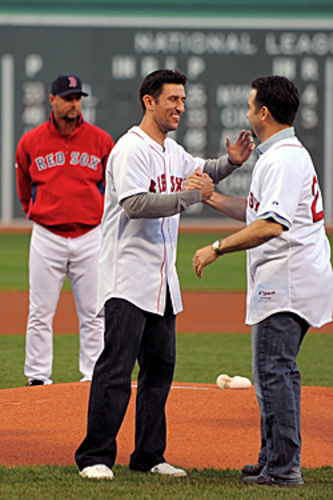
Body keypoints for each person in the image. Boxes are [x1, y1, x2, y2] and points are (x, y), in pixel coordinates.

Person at [75, 68, 254, 480]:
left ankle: (149, 456)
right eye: (172, 99)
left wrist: (230, 163)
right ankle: (95, 456)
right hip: (126, 278)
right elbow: (136, 204)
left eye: (183, 99)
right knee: (115, 371)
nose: (180, 107)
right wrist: (192, 196)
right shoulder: (129, 149)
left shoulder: (171, 151)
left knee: (159, 372)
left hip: (162, 283)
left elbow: (203, 169)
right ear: (149, 101)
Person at [192, 75, 333, 486]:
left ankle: (283, 467)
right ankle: (274, 456)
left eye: (252, 105)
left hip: (287, 281)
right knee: (279, 371)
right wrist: (212, 197)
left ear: (264, 113)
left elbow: (271, 225)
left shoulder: (283, 159)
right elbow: (257, 212)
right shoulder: (282, 154)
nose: (249, 111)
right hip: (292, 278)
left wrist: (216, 248)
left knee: (273, 370)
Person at [15, 74, 115, 386]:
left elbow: (111, 187)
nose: (74, 103)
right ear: (52, 100)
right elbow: (23, 185)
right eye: (68, 97)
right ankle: (37, 376)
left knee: (94, 312)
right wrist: (32, 211)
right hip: (47, 236)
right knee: (40, 312)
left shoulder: (100, 140)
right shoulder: (31, 141)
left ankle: (93, 374)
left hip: (89, 236)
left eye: (77, 97)